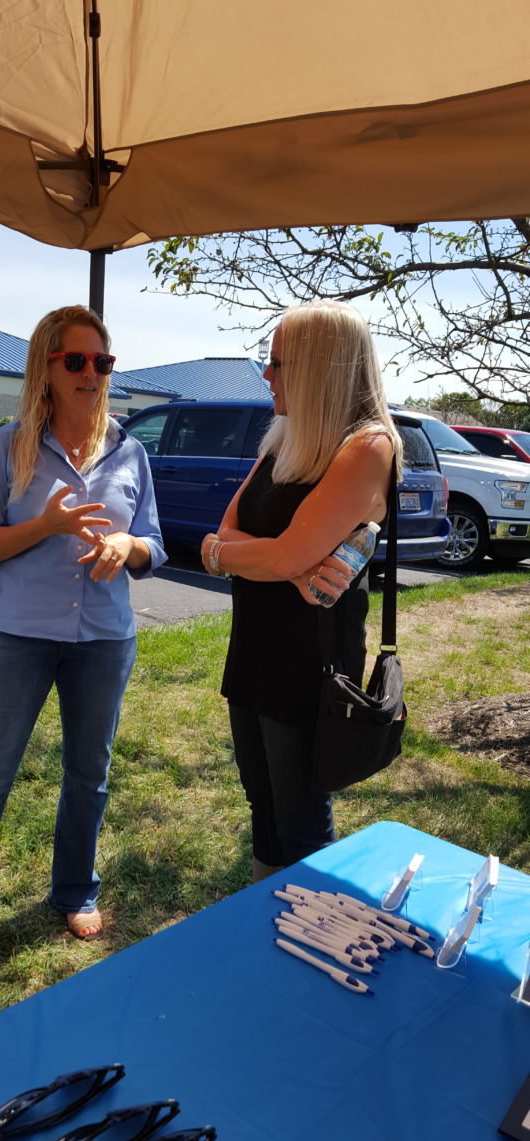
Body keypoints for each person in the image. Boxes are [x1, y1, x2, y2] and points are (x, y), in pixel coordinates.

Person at [0, 304, 166, 987]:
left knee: (90, 774)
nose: (90, 373)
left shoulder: (130, 451)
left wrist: (125, 543)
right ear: (46, 368)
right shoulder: (8, 445)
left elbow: (154, 546)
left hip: (103, 640)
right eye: (75, 360)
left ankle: (75, 890)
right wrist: (45, 525)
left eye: (101, 361)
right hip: (15, 634)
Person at [201, 300, 402, 882]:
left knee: (302, 817)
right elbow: (228, 531)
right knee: (261, 800)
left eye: (278, 363)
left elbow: (242, 547)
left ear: (320, 368)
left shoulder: (367, 446)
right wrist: (283, 564)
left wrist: (237, 556)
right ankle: (269, 923)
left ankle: (311, 939)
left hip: (309, 663)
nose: (267, 375)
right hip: (256, 644)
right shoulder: (284, 438)